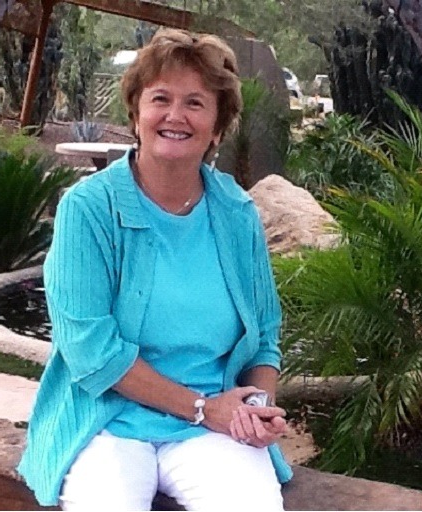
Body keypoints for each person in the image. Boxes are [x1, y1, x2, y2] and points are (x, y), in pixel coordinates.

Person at [18, 28, 293, 511]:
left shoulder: (236, 212)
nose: (175, 116)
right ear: (136, 112)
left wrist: (254, 408)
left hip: (211, 429)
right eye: (160, 98)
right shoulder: (89, 208)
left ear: (217, 125)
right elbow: (92, 353)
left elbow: (264, 335)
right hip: (109, 421)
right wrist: (205, 410)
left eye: (195, 103)